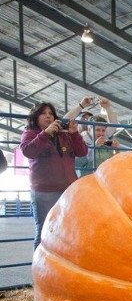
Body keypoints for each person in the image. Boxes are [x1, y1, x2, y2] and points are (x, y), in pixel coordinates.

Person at [19, 102, 88, 249]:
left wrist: (74, 133)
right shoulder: (29, 133)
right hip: (44, 192)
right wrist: (45, 134)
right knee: (43, 231)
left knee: (69, 230)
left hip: (68, 190)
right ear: (35, 117)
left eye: (51, 113)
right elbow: (28, 151)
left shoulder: (64, 134)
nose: (48, 116)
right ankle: (39, 270)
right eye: (43, 113)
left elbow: (82, 152)